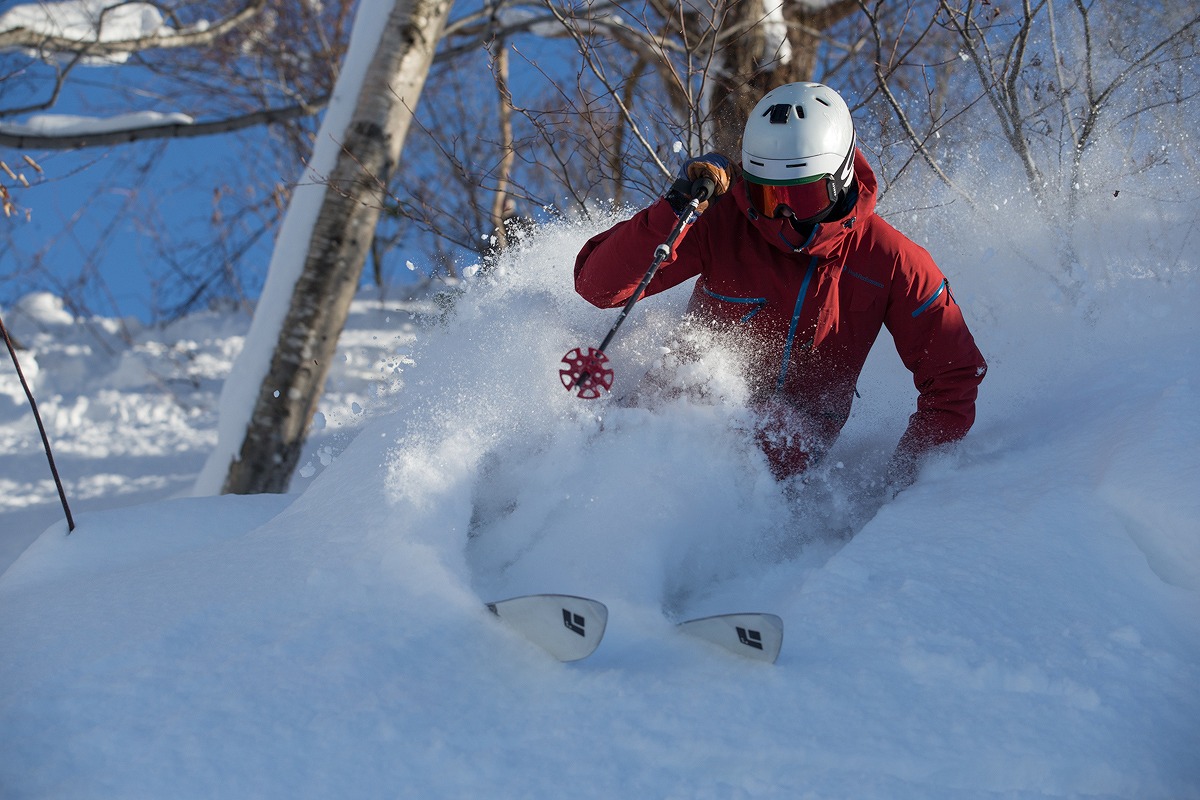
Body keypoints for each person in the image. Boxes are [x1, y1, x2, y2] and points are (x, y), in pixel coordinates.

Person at [574, 82, 986, 489]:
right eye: (770, 196)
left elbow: (953, 375)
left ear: (840, 176)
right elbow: (598, 286)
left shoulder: (892, 261)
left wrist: (909, 481)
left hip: (780, 467)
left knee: (771, 443)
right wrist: (677, 207)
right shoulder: (725, 220)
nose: (785, 214)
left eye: (803, 196)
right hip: (662, 427)